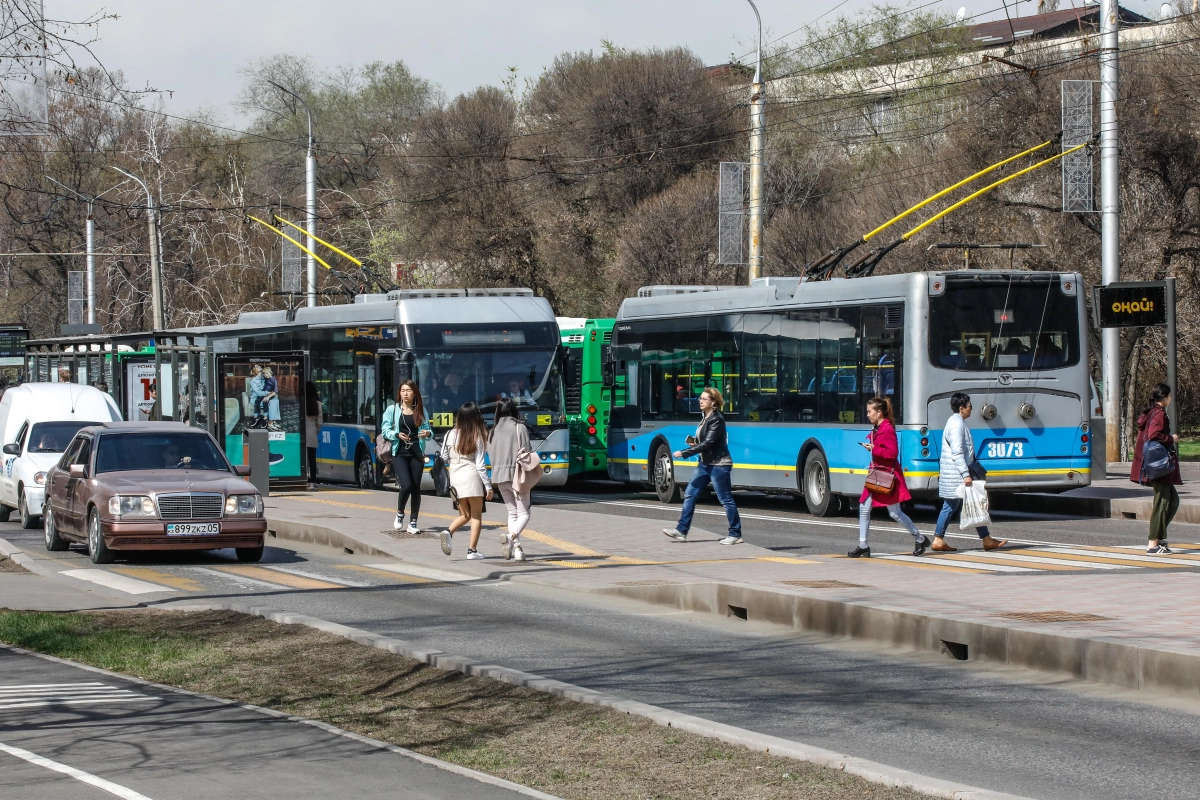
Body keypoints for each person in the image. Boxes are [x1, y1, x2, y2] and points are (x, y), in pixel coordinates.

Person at [848, 397, 928, 558]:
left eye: (870, 412)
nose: (868, 415)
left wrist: (874, 449)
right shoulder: (876, 428)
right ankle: (863, 545)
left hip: (887, 475)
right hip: (876, 473)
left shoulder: (888, 429)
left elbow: (892, 454)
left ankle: (919, 538)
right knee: (864, 507)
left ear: (879, 412)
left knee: (895, 513)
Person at [662, 387, 742, 545]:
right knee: (690, 494)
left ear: (713, 402)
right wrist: (693, 442)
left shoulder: (716, 419)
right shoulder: (705, 417)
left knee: (726, 499)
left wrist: (685, 452)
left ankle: (735, 534)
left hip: (719, 465)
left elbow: (708, 443)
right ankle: (681, 531)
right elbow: (704, 442)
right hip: (704, 464)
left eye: (704, 399)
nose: (700, 401)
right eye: (700, 398)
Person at [931, 392, 1007, 552]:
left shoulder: (955, 422)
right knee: (953, 505)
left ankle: (986, 539)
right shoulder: (957, 425)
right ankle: (939, 539)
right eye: (969, 407)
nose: (971, 410)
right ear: (961, 408)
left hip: (955, 473)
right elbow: (957, 453)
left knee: (973, 503)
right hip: (957, 474)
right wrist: (966, 475)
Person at [1130, 382, 1181, 554]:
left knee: (1172, 500)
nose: (1171, 398)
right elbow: (1154, 435)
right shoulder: (1158, 413)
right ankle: (1153, 543)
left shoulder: (1152, 412)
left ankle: (1159, 537)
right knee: (1162, 503)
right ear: (1165, 397)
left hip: (1154, 465)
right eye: (1170, 395)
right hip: (1159, 465)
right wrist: (1171, 438)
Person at [439, 402, 492, 559]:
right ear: (476, 417)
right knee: (476, 516)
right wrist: (488, 486)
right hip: (472, 477)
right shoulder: (477, 436)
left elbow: (444, 457)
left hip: (455, 479)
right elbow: (481, 465)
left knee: (465, 514)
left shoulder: (449, 434)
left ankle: (448, 531)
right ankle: (472, 550)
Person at [382, 379, 433, 534]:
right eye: (403, 390)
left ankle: (413, 522)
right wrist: (396, 434)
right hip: (400, 452)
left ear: (414, 393)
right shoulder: (393, 410)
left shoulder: (421, 410)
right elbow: (384, 430)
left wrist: (428, 433)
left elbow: (429, 431)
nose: (405, 393)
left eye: (408, 390)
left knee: (416, 487)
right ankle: (400, 513)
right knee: (406, 485)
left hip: (417, 452)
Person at [488, 398, 531, 562]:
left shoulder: (492, 431)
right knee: (524, 514)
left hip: (499, 477)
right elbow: (527, 451)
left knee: (512, 513)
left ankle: (518, 551)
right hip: (517, 476)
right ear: (514, 410)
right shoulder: (519, 427)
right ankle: (511, 537)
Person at [304, 381, 322, 488]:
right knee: (312, 458)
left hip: (302, 433)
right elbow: (319, 422)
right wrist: (316, 430)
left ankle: (304, 479)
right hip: (312, 433)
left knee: (303, 458)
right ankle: (312, 482)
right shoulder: (318, 403)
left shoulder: (302, 402)